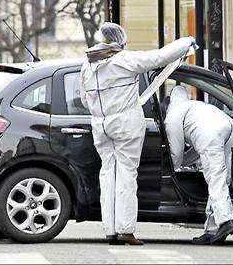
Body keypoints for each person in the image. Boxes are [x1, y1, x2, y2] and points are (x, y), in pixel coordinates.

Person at [80, 22, 196, 245]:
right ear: (119, 40)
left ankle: (110, 229)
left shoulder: (88, 64)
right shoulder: (122, 60)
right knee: (126, 175)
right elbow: (158, 58)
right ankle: (126, 229)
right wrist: (185, 43)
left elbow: (85, 99)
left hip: (100, 126)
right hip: (125, 125)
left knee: (108, 175)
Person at [163, 85, 233, 245]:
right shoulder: (193, 106)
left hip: (211, 134)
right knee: (221, 180)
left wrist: (169, 165)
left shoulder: (171, 118)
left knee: (215, 178)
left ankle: (226, 221)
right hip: (229, 128)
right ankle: (211, 230)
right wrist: (185, 161)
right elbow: (197, 148)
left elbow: (176, 155)